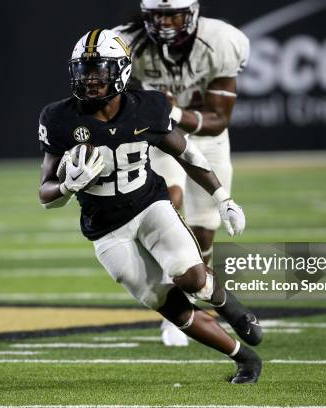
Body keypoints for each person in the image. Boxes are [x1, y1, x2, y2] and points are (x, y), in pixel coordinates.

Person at [38, 28, 261, 383]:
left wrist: (223, 198)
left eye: (100, 70)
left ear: (123, 71)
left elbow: (186, 152)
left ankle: (229, 307)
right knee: (171, 306)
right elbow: (45, 193)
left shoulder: (148, 107)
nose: (90, 80)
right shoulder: (58, 118)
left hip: (149, 206)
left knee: (194, 279)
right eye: (84, 70)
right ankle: (244, 358)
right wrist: (66, 186)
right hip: (106, 229)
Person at [114, 0, 250, 346]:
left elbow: (219, 118)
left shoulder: (221, 41)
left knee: (204, 231)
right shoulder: (127, 43)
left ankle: (197, 293)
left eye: (174, 14)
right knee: (167, 208)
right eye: (158, 15)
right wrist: (148, 114)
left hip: (207, 138)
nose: (166, 23)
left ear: (192, 13)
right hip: (158, 135)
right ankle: (178, 308)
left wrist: (174, 112)